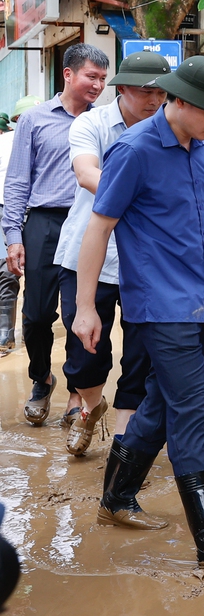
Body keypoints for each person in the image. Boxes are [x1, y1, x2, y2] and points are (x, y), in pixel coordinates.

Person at [73, 55, 204, 569]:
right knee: (190, 410)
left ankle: (115, 501)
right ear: (178, 101)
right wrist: (83, 308)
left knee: (162, 406)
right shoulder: (134, 151)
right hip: (160, 306)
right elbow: (98, 228)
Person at [55, 52, 169, 457]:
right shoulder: (92, 123)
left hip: (146, 263)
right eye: (145, 91)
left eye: (161, 92)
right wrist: (143, 195)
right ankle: (90, 404)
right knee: (85, 356)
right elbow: (86, 174)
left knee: (141, 356)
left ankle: (124, 444)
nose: (154, 100)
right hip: (89, 258)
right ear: (122, 89)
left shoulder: (169, 131)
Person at [4, 44, 110, 427]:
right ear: (68, 74)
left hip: (90, 224)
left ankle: (75, 392)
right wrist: (13, 236)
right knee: (35, 316)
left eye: (102, 78)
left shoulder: (105, 123)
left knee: (80, 311)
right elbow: (17, 181)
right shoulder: (34, 119)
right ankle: (41, 378)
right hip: (45, 223)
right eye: (91, 77)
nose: (98, 85)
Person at [0, 96, 41, 356]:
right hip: (6, 211)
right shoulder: (4, 142)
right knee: (7, 272)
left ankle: (30, 329)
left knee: (38, 276)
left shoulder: (46, 139)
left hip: (38, 213)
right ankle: (6, 333)